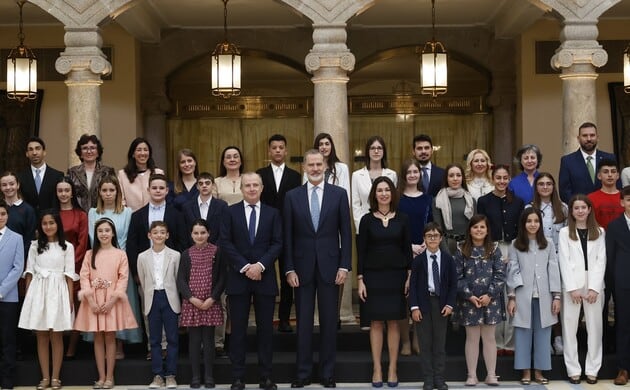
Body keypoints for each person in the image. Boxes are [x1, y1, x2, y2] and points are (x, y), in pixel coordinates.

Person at [283, 149, 352, 388]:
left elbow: (346, 233)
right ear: (304, 167)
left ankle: (327, 373)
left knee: (329, 322)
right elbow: (288, 236)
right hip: (300, 269)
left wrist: (345, 265)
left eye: (318, 164)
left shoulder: (339, 194)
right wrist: (289, 268)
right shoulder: (292, 196)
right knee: (302, 323)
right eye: (310, 164)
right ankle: (302, 374)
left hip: (331, 267)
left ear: (325, 166)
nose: (314, 168)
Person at [220, 172, 283, 390]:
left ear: (262, 188)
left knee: (266, 330)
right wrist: (246, 267)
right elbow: (225, 242)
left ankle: (266, 376)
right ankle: (238, 377)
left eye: (256, 185)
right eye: (248, 185)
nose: (252, 189)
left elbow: (277, 243)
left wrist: (260, 266)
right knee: (238, 331)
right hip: (239, 278)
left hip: (264, 278)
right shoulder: (230, 213)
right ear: (242, 189)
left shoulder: (273, 213)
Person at [357, 176, 412, 388]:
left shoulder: (403, 219)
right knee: (376, 322)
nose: (383, 193)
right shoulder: (366, 219)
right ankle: (377, 368)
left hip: (396, 277)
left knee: (394, 322)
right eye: (379, 190)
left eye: (387, 190)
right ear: (374, 194)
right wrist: (360, 279)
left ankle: (393, 368)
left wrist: (409, 276)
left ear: (392, 193)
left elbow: (407, 249)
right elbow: (361, 252)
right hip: (373, 277)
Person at [127, 173, 186, 360]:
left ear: (167, 191)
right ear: (148, 190)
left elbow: (182, 242)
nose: (158, 191)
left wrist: (180, 273)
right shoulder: (138, 216)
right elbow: (132, 245)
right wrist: (136, 272)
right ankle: (153, 347)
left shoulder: (177, 215)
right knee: (149, 310)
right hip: (147, 273)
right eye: (154, 188)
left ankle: (169, 345)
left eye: (162, 188)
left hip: (170, 272)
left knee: (171, 309)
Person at [74, 218, 138, 389]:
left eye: (107, 230)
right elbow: (84, 277)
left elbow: (123, 279)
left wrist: (112, 300)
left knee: (110, 336)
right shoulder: (89, 254)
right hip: (93, 300)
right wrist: (91, 300)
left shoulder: (120, 254)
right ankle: (101, 377)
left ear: (113, 233)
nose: (104, 234)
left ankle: (110, 377)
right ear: (95, 234)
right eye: (100, 231)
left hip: (112, 301)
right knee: (98, 337)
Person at [18, 210, 78, 390]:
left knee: (56, 334)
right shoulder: (35, 246)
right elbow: (29, 272)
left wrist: (69, 300)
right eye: (45, 223)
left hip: (58, 291)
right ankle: (44, 377)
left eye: (51, 223)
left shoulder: (67, 246)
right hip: (39, 291)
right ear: (40, 226)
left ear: (58, 224)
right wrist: (29, 297)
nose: (48, 226)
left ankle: (55, 377)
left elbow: (69, 276)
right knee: (42, 335)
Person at [87, 175, 143, 357]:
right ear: (100, 193)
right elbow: (92, 237)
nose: (108, 193)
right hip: (98, 262)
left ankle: (119, 344)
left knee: (117, 303)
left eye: (112, 190)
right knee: (102, 302)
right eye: (105, 190)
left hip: (119, 262)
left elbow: (124, 239)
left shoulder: (126, 212)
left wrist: (118, 263)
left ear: (117, 192)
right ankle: (102, 343)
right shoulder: (93, 212)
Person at [506, 208, 561, 385]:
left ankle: (539, 371)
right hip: (523, 296)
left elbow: (553, 270)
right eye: (529, 221)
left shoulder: (549, 244)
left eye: (536, 221)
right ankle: (525, 371)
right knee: (523, 334)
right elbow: (513, 271)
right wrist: (512, 297)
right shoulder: (515, 244)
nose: (532, 224)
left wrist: (557, 296)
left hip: (544, 297)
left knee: (543, 335)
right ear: (523, 223)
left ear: (540, 223)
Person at [352, 136, 398, 332]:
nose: (376, 151)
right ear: (367, 151)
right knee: (366, 271)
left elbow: (393, 198)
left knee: (385, 270)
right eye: (372, 148)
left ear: (384, 151)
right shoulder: (357, 175)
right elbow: (355, 204)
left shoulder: (392, 174)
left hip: (387, 226)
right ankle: (366, 319)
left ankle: (387, 316)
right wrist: (362, 227)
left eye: (380, 148)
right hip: (365, 227)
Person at [558, 195, 606, 384]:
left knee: (595, 327)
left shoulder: (600, 232)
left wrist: (594, 288)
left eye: (583, 207)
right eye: (576, 208)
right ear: (571, 211)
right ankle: (573, 369)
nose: (580, 211)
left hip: (594, 283)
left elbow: (601, 261)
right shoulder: (564, 233)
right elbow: (564, 259)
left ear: (589, 210)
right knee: (569, 328)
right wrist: (572, 288)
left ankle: (593, 369)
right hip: (572, 285)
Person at [476, 164, 524, 355]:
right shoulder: (484, 201)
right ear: (492, 178)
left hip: (514, 247)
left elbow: (522, 229)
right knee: (494, 295)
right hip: (491, 248)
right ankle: (495, 343)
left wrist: (513, 254)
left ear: (509, 179)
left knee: (512, 294)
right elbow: (480, 228)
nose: (502, 181)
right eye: (498, 178)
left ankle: (510, 344)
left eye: (505, 178)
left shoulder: (518, 202)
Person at [256, 134, 301, 333]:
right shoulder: (260, 174)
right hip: (265, 232)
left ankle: (284, 319)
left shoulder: (295, 176)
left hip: (287, 232)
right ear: (269, 150)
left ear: (285, 150)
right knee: (264, 274)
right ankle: (264, 319)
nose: (277, 151)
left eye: (281, 147)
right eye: (274, 147)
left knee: (287, 276)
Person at [455, 214, 505, 386]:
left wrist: (490, 295)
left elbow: (500, 275)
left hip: (491, 301)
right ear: (469, 230)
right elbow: (458, 276)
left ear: (487, 230)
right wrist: (469, 295)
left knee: (490, 337)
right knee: (472, 337)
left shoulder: (494, 249)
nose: (478, 230)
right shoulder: (461, 249)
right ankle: (472, 375)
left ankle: (491, 374)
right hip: (469, 301)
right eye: (475, 227)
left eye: (482, 227)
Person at [312, 133, 355, 329]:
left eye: (327, 143)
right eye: (320, 144)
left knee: (338, 272)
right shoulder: (312, 169)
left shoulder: (342, 168)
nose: (323, 147)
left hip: (335, 220)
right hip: (317, 225)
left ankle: (336, 314)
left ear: (332, 146)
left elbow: (345, 194)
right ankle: (321, 315)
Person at [177, 219, 226, 389]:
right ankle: (196, 376)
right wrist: (191, 298)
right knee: (194, 341)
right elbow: (181, 280)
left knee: (209, 340)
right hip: (193, 302)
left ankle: (209, 376)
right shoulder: (186, 254)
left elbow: (221, 278)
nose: (199, 236)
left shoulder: (217, 251)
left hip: (210, 301)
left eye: (203, 232)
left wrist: (212, 298)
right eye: (196, 233)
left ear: (209, 233)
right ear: (191, 234)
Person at [409, 222, 457, 390]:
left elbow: (453, 285)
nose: (432, 239)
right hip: (423, 304)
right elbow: (413, 285)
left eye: (435, 236)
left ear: (441, 238)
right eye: (429, 236)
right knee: (425, 343)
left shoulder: (448, 259)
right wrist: (414, 307)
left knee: (439, 343)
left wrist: (450, 304)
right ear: (424, 239)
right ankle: (428, 378)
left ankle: (439, 377)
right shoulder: (418, 261)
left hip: (441, 305)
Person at [137, 221, 182, 389]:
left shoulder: (175, 255)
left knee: (172, 338)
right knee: (154, 339)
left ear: (167, 235)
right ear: (149, 235)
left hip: (169, 298)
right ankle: (157, 375)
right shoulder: (142, 256)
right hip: (152, 298)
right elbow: (142, 279)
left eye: (162, 232)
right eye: (155, 232)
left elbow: (178, 279)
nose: (159, 235)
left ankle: (170, 374)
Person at [529, 172, 567, 355]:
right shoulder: (530, 208)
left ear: (553, 187)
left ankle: (559, 337)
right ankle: (544, 340)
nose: (545, 187)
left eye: (549, 184)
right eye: (541, 184)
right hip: (538, 261)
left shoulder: (564, 209)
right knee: (542, 301)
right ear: (536, 187)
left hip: (560, 261)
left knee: (558, 300)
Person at [398, 159, 432, 356]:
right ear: (404, 175)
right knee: (403, 299)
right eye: (409, 172)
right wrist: (409, 246)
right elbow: (395, 226)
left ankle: (417, 338)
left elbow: (432, 225)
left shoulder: (428, 199)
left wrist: (425, 244)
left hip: (424, 251)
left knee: (421, 298)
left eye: (415, 171)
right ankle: (404, 341)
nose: (412, 175)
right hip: (403, 253)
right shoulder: (397, 199)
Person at [55, 177, 89, 360]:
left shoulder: (81, 215)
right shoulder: (51, 214)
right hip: (53, 269)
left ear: (72, 192)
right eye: (60, 191)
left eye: (67, 190)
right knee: (56, 308)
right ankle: (58, 345)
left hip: (75, 268)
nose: (63, 194)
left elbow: (82, 244)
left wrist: (68, 265)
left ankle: (72, 347)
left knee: (75, 307)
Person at [604, 186, 630, 385]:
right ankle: (623, 368)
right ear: (622, 202)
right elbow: (610, 259)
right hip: (623, 285)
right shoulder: (613, 226)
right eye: (628, 200)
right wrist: (612, 286)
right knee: (624, 325)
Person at [559, 122, 618, 203]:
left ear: (597, 137)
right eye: (585, 136)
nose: (589, 139)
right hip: (580, 211)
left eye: (592, 135)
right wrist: (579, 207)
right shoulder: (567, 161)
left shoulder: (609, 158)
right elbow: (564, 191)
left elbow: (617, 185)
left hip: (606, 209)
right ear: (578, 138)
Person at [0, 200, 25, 390]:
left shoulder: (16, 238)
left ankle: (7, 378)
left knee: (7, 338)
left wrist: (2, 289)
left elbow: (18, 268)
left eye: (2, 214)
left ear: (7, 215)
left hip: (7, 297)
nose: (0, 218)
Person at [432, 163, 475, 255]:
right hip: (448, 245)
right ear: (446, 178)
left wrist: (472, 247)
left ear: (462, 178)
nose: (455, 179)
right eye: (451, 176)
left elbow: (475, 226)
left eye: (458, 175)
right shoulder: (438, 200)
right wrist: (445, 252)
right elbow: (438, 229)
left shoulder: (471, 200)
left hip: (468, 246)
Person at [67, 134, 115, 212]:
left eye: (92, 148)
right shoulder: (72, 172)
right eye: (85, 148)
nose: (89, 151)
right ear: (80, 153)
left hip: (102, 214)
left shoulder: (107, 172)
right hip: (79, 216)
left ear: (98, 152)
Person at [17, 137, 64, 213]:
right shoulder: (20, 177)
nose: (34, 152)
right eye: (31, 149)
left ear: (44, 152)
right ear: (27, 154)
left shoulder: (57, 176)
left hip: (50, 221)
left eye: (37, 148)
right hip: (28, 221)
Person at [117, 137, 165, 212]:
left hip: (155, 217)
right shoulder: (123, 175)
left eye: (145, 150)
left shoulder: (158, 173)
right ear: (133, 154)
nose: (143, 153)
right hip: (131, 218)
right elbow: (121, 200)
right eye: (139, 150)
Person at [182, 172, 228, 245]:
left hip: (216, 250)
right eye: (201, 183)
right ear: (197, 186)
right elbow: (185, 231)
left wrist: (215, 249)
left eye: (207, 183)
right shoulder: (187, 207)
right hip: (193, 249)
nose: (204, 186)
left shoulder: (222, 206)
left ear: (213, 186)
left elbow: (223, 231)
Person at [1, 171, 36, 258]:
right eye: (4, 185)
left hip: (19, 259)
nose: (8, 187)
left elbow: (29, 239)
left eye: (12, 184)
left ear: (18, 185)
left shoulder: (28, 210)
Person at [587, 159, 623, 230]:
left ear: (618, 176)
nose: (610, 175)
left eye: (613, 172)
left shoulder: (626, 197)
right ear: (599, 176)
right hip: (599, 238)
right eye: (605, 172)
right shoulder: (590, 198)